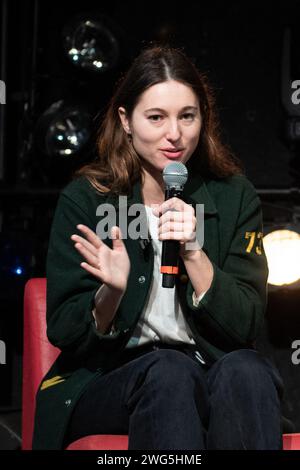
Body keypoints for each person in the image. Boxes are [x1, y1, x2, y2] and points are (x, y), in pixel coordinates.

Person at [32, 45, 283, 450]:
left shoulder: (233, 196)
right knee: (168, 370)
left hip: (208, 369)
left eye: (188, 116)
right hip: (109, 379)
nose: (175, 134)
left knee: (248, 371)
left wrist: (193, 253)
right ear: (125, 121)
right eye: (156, 117)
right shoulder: (89, 199)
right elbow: (65, 330)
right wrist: (110, 293)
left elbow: (247, 325)